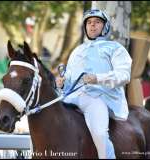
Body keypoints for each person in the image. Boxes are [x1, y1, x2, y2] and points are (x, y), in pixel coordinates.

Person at [56, 9, 132, 158]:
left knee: (99, 132)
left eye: (97, 22)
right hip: (71, 97)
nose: (92, 26)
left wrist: (97, 78)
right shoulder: (77, 50)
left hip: (98, 97)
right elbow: (70, 79)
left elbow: (124, 75)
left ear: (105, 26)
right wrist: (62, 83)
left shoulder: (115, 48)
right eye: (89, 23)